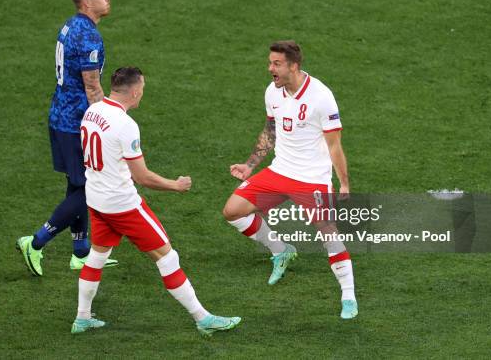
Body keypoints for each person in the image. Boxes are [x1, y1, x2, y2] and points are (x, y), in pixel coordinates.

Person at [71, 67, 241, 336]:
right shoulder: (125, 125)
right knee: (167, 257)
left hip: (96, 198)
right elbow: (142, 177)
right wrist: (176, 185)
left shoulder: (92, 111)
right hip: (122, 204)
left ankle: (82, 317)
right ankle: (203, 318)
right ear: (135, 91)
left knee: (97, 255)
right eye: (143, 91)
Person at [222, 41, 358, 319]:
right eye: (270, 62)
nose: (270, 68)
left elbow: (334, 146)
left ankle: (348, 295)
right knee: (233, 212)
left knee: (329, 233)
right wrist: (250, 165)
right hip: (280, 171)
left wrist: (343, 183)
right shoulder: (272, 91)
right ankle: (281, 250)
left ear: (293, 66)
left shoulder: (321, 97)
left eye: (276, 63)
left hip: (311, 179)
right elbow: (270, 131)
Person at [17, 0, 117, 276]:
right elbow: (92, 87)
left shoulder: (70, 25)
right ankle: (36, 242)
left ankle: (81, 252)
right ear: (87, 3)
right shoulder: (88, 36)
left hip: (60, 115)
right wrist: (106, 122)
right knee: (90, 189)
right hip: (76, 124)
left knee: (77, 184)